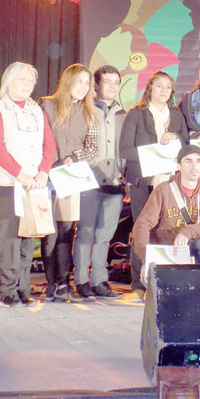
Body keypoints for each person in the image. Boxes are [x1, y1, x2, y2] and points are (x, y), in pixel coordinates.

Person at [0, 62, 56, 306]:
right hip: (7, 184)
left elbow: (49, 144)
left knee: (28, 238)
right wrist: (21, 175)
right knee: (10, 239)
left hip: (34, 185)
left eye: (31, 80)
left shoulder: (36, 110)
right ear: (8, 81)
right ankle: (8, 289)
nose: (27, 84)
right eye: (22, 79)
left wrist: (43, 172)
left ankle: (24, 288)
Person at [119, 71, 189, 302]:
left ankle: (165, 281)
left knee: (168, 229)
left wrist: (176, 137)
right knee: (143, 230)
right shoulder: (136, 114)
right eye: (159, 86)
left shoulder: (176, 115)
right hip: (143, 182)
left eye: (168, 87)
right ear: (150, 88)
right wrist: (155, 155)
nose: (164, 90)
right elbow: (125, 149)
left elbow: (186, 145)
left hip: (170, 182)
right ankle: (138, 283)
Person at [40, 64, 99, 302]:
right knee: (48, 232)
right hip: (45, 175)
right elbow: (37, 138)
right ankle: (50, 283)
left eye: (87, 83)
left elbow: (93, 148)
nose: (84, 87)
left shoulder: (89, 113)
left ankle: (64, 283)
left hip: (70, 176)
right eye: (80, 81)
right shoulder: (46, 105)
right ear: (68, 81)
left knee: (66, 230)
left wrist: (74, 158)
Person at [132, 145, 200, 283]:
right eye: (188, 161)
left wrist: (187, 232)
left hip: (192, 248)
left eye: (198, 161)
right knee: (151, 282)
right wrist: (146, 259)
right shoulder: (163, 190)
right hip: (168, 250)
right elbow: (142, 225)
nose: (194, 166)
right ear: (179, 165)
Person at [73, 65, 125, 301]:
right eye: (107, 82)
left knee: (105, 236)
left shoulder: (123, 114)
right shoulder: (84, 110)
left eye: (116, 82)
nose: (112, 86)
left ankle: (100, 281)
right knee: (85, 234)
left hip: (114, 182)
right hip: (89, 181)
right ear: (96, 86)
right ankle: (81, 280)